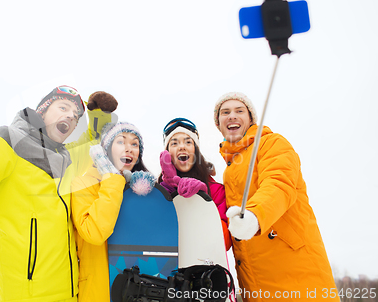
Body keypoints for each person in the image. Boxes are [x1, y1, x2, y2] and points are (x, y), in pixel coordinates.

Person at [0, 85, 118, 302]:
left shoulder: (66, 160)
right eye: (63, 107)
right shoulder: (8, 141)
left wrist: (100, 115)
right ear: (43, 109)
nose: (69, 117)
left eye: (75, 116)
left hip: (68, 296)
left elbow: (92, 140)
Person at [214, 92, 339, 301]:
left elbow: (279, 184)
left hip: (296, 277)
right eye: (225, 112)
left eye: (239, 111)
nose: (232, 116)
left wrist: (255, 214)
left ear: (251, 119)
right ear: (219, 124)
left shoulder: (272, 144)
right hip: (256, 284)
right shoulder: (229, 169)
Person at [71, 122, 155, 302]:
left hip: (137, 289)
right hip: (98, 291)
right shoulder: (83, 184)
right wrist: (112, 180)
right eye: (121, 142)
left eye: (135, 144)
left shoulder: (140, 190)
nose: (129, 149)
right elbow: (94, 233)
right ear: (106, 150)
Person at [158, 117, 232, 251]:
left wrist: (202, 199)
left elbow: (224, 243)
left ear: (196, 151)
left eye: (188, 142)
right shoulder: (157, 192)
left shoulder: (216, 190)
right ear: (167, 154)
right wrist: (168, 189)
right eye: (174, 143)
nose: (182, 146)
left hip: (205, 267)